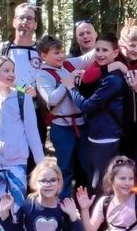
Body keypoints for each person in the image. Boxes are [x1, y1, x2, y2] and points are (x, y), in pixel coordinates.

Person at [0, 56, 45, 209]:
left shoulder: (23, 98)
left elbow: (32, 133)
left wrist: (42, 165)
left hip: (17, 164)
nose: (11, 74)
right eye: (6, 70)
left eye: (13, 70)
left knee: (18, 209)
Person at [36, 35, 95, 197]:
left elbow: (88, 57)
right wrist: (67, 82)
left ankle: (85, 202)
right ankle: (62, 204)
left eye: (62, 51)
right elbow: (51, 99)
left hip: (81, 125)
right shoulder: (43, 75)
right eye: (56, 53)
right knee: (65, 169)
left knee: (86, 166)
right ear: (43, 56)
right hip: (62, 128)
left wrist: (115, 41)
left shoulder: (68, 64)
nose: (61, 55)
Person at [67, 33, 127, 191]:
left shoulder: (113, 80)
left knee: (101, 183)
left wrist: (71, 88)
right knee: (94, 179)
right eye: (97, 50)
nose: (100, 54)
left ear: (115, 52)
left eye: (105, 50)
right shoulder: (101, 73)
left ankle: (102, 206)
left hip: (106, 137)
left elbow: (88, 105)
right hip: (96, 134)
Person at [0, 3, 45, 143]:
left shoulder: (42, 51)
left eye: (30, 18)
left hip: (35, 110)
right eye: (21, 18)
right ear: (14, 22)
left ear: (35, 24)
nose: (25, 22)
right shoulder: (1, 49)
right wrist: (21, 89)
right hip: (8, 110)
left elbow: (50, 78)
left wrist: (37, 92)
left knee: (36, 151)